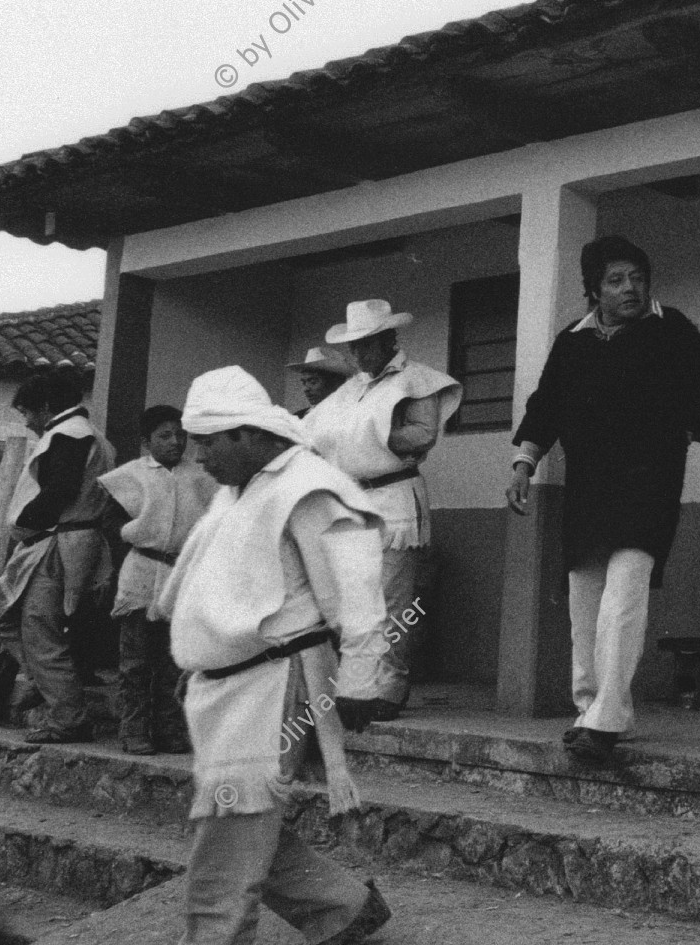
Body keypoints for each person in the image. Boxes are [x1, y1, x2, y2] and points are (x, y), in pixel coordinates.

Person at [157, 365, 395, 945]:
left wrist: (361, 680)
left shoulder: (309, 486)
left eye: (208, 443)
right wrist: (198, 665)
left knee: (230, 834)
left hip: (275, 685)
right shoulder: (236, 492)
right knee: (239, 823)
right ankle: (341, 910)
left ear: (247, 434)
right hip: (225, 688)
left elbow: (357, 592)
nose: (199, 457)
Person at [506, 235, 700, 765]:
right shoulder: (572, 342)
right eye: (616, 280)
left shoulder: (672, 331)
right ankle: (590, 708)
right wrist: (524, 463)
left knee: (625, 594)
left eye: (637, 278)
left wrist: (681, 429)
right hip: (588, 488)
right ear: (594, 290)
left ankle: (607, 717)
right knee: (585, 601)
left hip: (648, 484)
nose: (630, 288)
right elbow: (546, 405)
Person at [304, 300, 461, 718]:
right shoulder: (352, 387)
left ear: (388, 340)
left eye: (366, 344)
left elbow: (422, 435)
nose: (358, 355)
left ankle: (390, 687)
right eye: (353, 347)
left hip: (394, 500)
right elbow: (317, 429)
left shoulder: (417, 380)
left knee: (392, 600)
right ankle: (356, 686)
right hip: (353, 501)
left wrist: (367, 437)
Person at [0, 369, 112, 743]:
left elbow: (58, 492)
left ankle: (68, 715)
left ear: (45, 408)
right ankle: (50, 684)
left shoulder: (68, 435)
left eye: (28, 413)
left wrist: (26, 523)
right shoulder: (92, 437)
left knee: (40, 632)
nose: (28, 423)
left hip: (57, 543)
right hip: (65, 540)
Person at [96, 404, 219, 755]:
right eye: (165, 436)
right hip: (141, 573)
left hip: (181, 575)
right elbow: (111, 527)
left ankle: (169, 729)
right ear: (146, 441)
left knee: (173, 660)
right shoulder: (131, 476)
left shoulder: (201, 478)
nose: (175, 442)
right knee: (135, 661)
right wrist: (128, 561)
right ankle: (134, 730)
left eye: (181, 435)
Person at [287, 346, 355, 417]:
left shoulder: (350, 416)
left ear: (336, 383)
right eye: (304, 382)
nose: (305, 389)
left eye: (313, 382)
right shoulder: (298, 417)